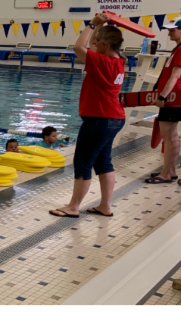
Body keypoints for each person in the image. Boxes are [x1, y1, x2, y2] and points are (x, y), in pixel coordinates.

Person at [49, 17, 125, 219]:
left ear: (106, 44)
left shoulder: (102, 61)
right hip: (114, 118)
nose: (94, 44)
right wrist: (99, 27)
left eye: (98, 41)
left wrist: (91, 24)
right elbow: (88, 45)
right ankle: (105, 206)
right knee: (103, 162)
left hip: (99, 119)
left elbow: (78, 47)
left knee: (83, 162)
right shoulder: (119, 60)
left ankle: (73, 207)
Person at [147, 18, 181, 184]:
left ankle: (166, 173)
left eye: (172, 30)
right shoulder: (179, 48)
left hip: (173, 97)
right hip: (174, 96)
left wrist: (162, 96)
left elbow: (176, 75)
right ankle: (170, 171)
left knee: (168, 136)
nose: (169, 33)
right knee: (171, 135)